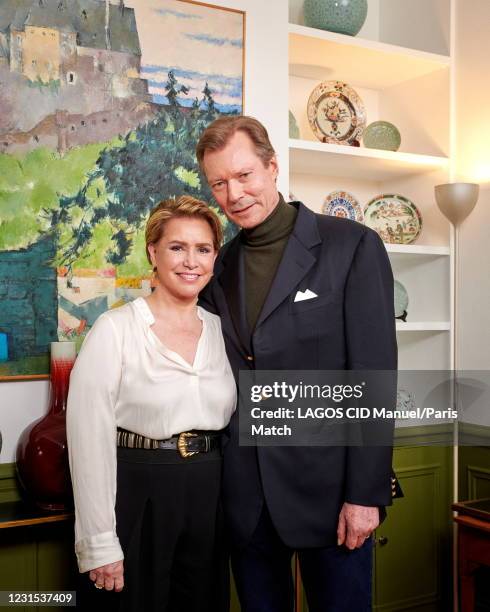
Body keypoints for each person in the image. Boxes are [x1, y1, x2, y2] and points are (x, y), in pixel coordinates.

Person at [196, 116, 398, 612]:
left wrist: (365, 495)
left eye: (245, 175)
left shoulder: (351, 246)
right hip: (246, 502)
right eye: (219, 183)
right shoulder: (215, 268)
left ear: (272, 166)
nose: (234, 193)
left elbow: (373, 377)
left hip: (332, 497)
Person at [66, 196, 236, 612]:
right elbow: (88, 439)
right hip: (139, 490)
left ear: (215, 256)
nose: (190, 261)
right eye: (177, 247)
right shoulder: (115, 329)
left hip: (211, 491)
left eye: (203, 249)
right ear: (153, 252)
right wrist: (100, 542)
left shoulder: (222, 330)